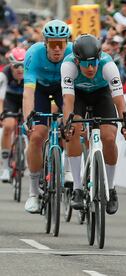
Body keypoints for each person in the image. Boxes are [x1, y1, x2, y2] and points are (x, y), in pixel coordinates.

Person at [61, 34, 126, 215]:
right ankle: (77, 188)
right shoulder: (68, 66)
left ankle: (111, 188)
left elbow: (119, 99)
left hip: (102, 95)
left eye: (94, 63)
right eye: (86, 64)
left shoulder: (108, 65)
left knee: (109, 137)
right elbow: (68, 100)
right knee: (74, 129)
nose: (91, 68)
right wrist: (67, 123)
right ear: (77, 61)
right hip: (78, 96)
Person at [22, 19, 72, 213]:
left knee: (72, 126)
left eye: (62, 43)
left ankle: (68, 171)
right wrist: (28, 117)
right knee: (36, 135)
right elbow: (28, 92)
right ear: (45, 43)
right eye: (53, 43)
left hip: (63, 89)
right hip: (40, 91)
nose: (57, 48)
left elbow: (73, 93)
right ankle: (33, 193)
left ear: (67, 43)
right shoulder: (34, 54)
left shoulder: (72, 54)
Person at [0, 47, 25, 181]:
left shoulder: (30, 73)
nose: (20, 69)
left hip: (25, 99)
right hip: (9, 99)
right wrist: (1, 115)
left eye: (23, 65)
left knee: (33, 128)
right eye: (16, 66)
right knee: (8, 126)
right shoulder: (4, 75)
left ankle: (24, 151)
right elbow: (1, 99)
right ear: (11, 65)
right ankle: (5, 168)